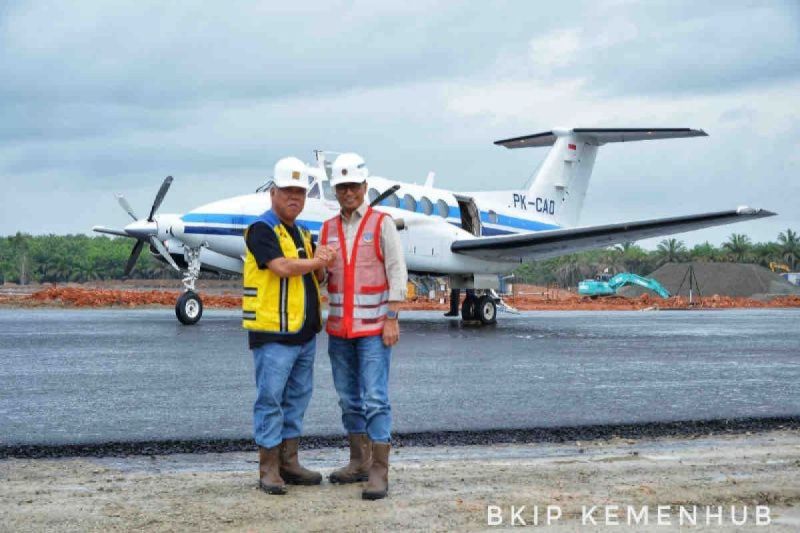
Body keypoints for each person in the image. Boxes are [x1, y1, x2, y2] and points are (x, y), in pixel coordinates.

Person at [242, 156, 335, 495]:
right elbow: (281, 267)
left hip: (304, 333)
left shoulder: (302, 233)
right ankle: (268, 468)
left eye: (300, 192)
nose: (294, 198)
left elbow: (317, 277)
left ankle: (289, 462)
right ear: (273, 194)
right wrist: (316, 260)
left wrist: (323, 264)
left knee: (297, 398)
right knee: (271, 399)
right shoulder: (261, 230)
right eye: (287, 191)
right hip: (273, 334)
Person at [319, 152, 408, 500]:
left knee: (375, 399)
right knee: (347, 400)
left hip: (374, 329)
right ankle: (358, 461)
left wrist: (392, 318)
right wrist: (319, 267)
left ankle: (379, 472)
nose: (347, 192)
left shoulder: (381, 223)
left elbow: (397, 272)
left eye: (353, 186)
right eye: (341, 187)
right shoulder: (326, 229)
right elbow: (324, 278)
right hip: (340, 330)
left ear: (364, 187)